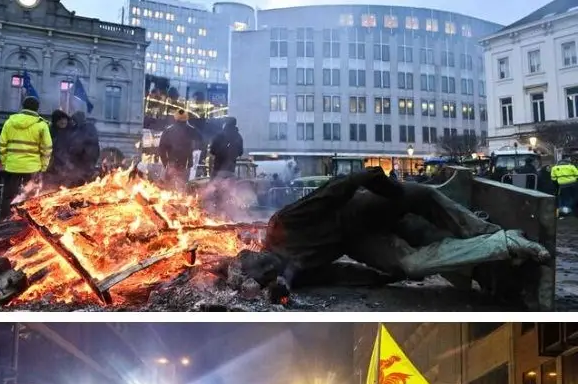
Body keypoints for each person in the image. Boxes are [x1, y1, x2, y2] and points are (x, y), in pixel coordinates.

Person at [256, 167, 550, 299]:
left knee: (422, 196)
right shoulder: (294, 275)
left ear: (263, 252)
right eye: (272, 275)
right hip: (357, 240)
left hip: (359, 210)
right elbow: (339, 273)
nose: (276, 271)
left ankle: (487, 231)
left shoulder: (281, 224)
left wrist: (389, 189)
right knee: (413, 265)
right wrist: (383, 276)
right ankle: (503, 243)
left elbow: (337, 189)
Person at [0, 96, 52, 220]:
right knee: (31, 197)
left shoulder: (10, 122)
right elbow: (47, 148)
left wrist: (5, 161)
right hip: (32, 167)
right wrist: (43, 166)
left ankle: (4, 221)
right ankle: (27, 224)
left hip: (12, 166)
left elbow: (2, 144)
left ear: (23, 106)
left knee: (8, 197)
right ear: (37, 108)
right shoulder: (41, 125)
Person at [158, 109, 200, 189]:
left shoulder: (168, 131)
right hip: (186, 164)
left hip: (172, 163)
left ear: (175, 118)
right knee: (184, 187)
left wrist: (165, 163)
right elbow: (200, 144)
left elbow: (162, 148)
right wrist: (193, 162)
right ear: (187, 118)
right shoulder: (193, 131)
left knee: (169, 187)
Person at [44, 109, 75, 190]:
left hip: (69, 167)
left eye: (64, 119)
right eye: (59, 120)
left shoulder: (72, 131)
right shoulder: (50, 132)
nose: (62, 122)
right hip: (53, 166)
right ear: (55, 122)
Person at [71, 110, 100, 184]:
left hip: (89, 155)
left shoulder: (90, 127)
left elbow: (94, 138)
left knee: (87, 173)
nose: (75, 122)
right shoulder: (75, 129)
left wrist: (83, 140)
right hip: (78, 158)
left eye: (76, 120)